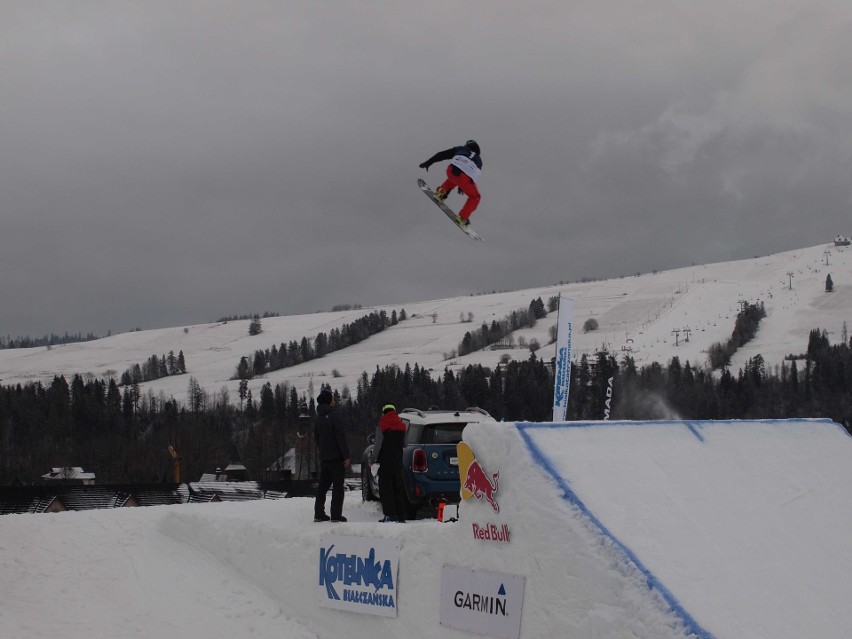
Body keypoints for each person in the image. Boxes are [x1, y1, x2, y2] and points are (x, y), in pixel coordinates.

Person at [419, 139, 482, 226]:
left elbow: (441, 154)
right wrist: (462, 186)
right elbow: (473, 174)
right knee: (475, 197)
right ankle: (462, 218)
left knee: (453, 178)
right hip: (465, 178)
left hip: (451, 170)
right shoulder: (479, 160)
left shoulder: (460, 149)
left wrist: (428, 162)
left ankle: (440, 193)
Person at [313, 388, 351, 523]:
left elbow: (316, 437)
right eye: (332, 398)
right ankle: (335, 515)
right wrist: (346, 456)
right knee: (338, 488)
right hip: (336, 459)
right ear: (328, 401)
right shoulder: (334, 415)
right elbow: (340, 436)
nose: (334, 400)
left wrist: (323, 450)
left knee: (322, 488)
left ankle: (318, 514)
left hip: (324, 458)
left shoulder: (317, 418)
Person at [373, 404, 409, 522]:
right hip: (398, 461)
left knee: (386, 490)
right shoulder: (402, 425)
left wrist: (373, 460)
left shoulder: (382, 425)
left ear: (384, 413)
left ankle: (390, 515)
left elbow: (377, 445)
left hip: (385, 461)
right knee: (398, 488)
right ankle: (402, 514)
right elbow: (405, 444)